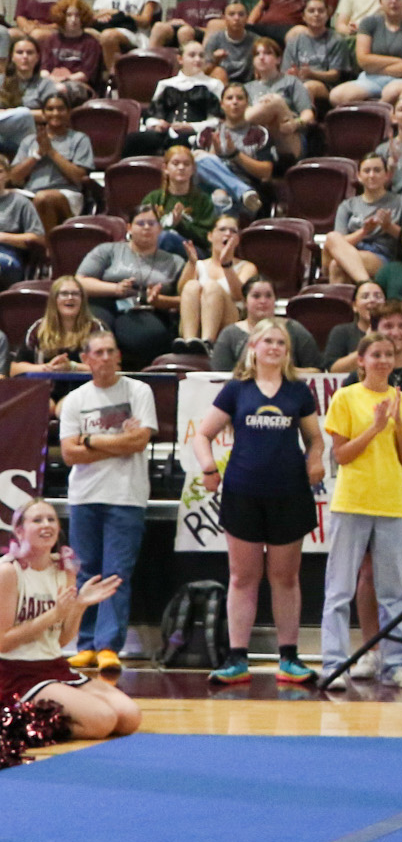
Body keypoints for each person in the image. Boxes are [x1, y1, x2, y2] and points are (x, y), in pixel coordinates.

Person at [191, 318, 325, 687]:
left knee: (285, 577)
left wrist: (316, 459)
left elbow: (315, 439)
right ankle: (237, 659)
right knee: (243, 577)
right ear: (253, 347)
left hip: (289, 493)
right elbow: (203, 435)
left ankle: (289, 658)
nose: (274, 347)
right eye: (267, 341)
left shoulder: (298, 391)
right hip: (243, 492)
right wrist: (207, 467)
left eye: (280, 342)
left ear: (287, 351)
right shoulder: (237, 390)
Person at [319, 333, 402, 684]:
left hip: (394, 502)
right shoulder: (345, 398)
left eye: (388, 354)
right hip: (353, 500)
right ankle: (334, 664)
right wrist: (375, 428)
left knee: (393, 590)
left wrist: (396, 426)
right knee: (340, 588)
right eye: (375, 354)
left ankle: (397, 664)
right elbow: (341, 455)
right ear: (361, 360)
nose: (382, 360)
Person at [0, 501, 141, 739]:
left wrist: (79, 607)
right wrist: (53, 614)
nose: (47, 525)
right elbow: (3, 642)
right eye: (37, 520)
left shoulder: (64, 569)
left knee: (129, 717)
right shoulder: (9, 572)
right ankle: (18, 725)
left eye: (51, 519)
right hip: (16, 671)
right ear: (19, 530)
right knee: (101, 721)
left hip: (53, 665)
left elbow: (62, 640)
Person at [58, 330, 154, 672]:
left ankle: (108, 646)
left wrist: (90, 440)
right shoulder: (74, 400)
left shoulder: (139, 391)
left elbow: (139, 442)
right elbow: (70, 454)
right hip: (85, 497)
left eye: (110, 351)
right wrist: (116, 440)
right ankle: (85, 643)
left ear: (119, 357)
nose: (104, 358)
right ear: (85, 359)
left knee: (116, 573)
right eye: (97, 352)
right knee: (85, 574)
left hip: (126, 496)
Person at [76, 206, 184, 363]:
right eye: (140, 223)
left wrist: (161, 299)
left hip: (148, 310)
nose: (146, 227)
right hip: (105, 303)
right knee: (94, 329)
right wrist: (115, 289)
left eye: (152, 223)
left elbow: (184, 299)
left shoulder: (175, 261)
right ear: (129, 228)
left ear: (160, 229)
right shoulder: (107, 250)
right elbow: (80, 282)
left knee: (150, 337)